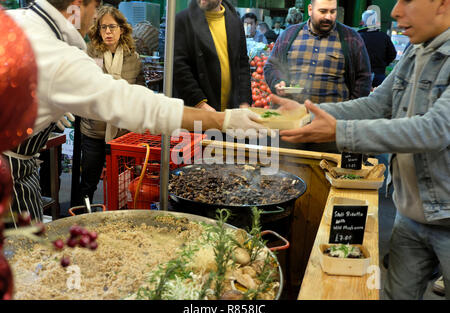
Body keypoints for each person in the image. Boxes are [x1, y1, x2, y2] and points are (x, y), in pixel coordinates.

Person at [4, 0, 266, 224]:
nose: (94, 17)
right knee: (21, 263)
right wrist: (223, 119)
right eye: (94, 7)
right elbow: (136, 105)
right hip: (8, 178)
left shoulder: (13, 19)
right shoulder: (60, 57)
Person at [274, 0, 450, 300]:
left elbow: (434, 129)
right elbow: (375, 104)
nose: (394, 11)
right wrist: (308, 114)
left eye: (406, 0)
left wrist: (340, 131)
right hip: (409, 215)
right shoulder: (416, 51)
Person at [264, 0, 371, 152]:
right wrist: (278, 81)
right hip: (290, 124)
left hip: (329, 128)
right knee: (285, 171)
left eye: (332, 12)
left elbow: (363, 78)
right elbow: (271, 65)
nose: (328, 16)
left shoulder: (351, 38)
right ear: (310, 9)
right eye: (323, 11)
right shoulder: (289, 34)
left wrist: (348, 115)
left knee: (326, 172)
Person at [79, 5, 145, 205]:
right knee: (89, 183)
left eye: (112, 27)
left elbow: (141, 91)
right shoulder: (89, 54)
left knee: (123, 182)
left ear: (121, 29)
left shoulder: (132, 57)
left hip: (123, 133)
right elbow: (83, 89)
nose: (108, 32)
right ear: (98, 30)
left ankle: (120, 219)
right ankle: (82, 220)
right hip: (94, 130)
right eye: (103, 27)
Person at [173, 0, 251, 113]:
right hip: (197, 111)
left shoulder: (235, 22)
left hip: (230, 112)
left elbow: (242, 64)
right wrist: (199, 103)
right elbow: (179, 66)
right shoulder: (183, 20)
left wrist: (244, 102)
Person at [358, 9, 397, 88]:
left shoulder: (358, 37)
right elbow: (393, 54)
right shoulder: (384, 37)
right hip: (379, 75)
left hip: (361, 76)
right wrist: (383, 64)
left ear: (363, 22)